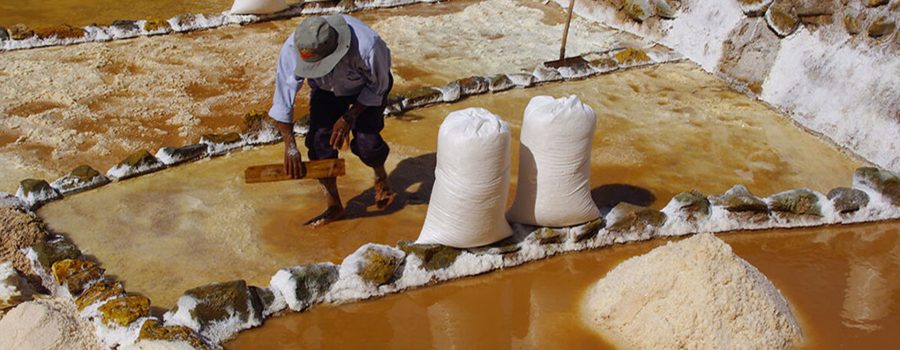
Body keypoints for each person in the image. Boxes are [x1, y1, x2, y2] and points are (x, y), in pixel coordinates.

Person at [268, 14, 395, 227]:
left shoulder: (367, 46)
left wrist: (349, 117)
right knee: (319, 145)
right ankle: (334, 204)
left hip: (366, 88)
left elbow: (379, 86)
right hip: (326, 89)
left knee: (368, 144)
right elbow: (283, 99)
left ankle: (380, 176)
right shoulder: (293, 48)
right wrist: (290, 145)